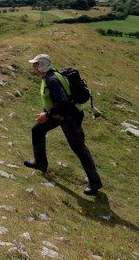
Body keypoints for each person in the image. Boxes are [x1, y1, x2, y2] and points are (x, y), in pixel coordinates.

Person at [24, 53, 103, 196]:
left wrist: (47, 115)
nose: (33, 67)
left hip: (69, 117)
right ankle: (40, 163)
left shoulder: (52, 79)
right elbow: (55, 100)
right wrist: (47, 112)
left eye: (35, 64)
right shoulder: (50, 76)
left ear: (42, 66)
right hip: (59, 114)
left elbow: (63, 102)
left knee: (79, 148)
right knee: (37, 130)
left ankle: (95, 182)